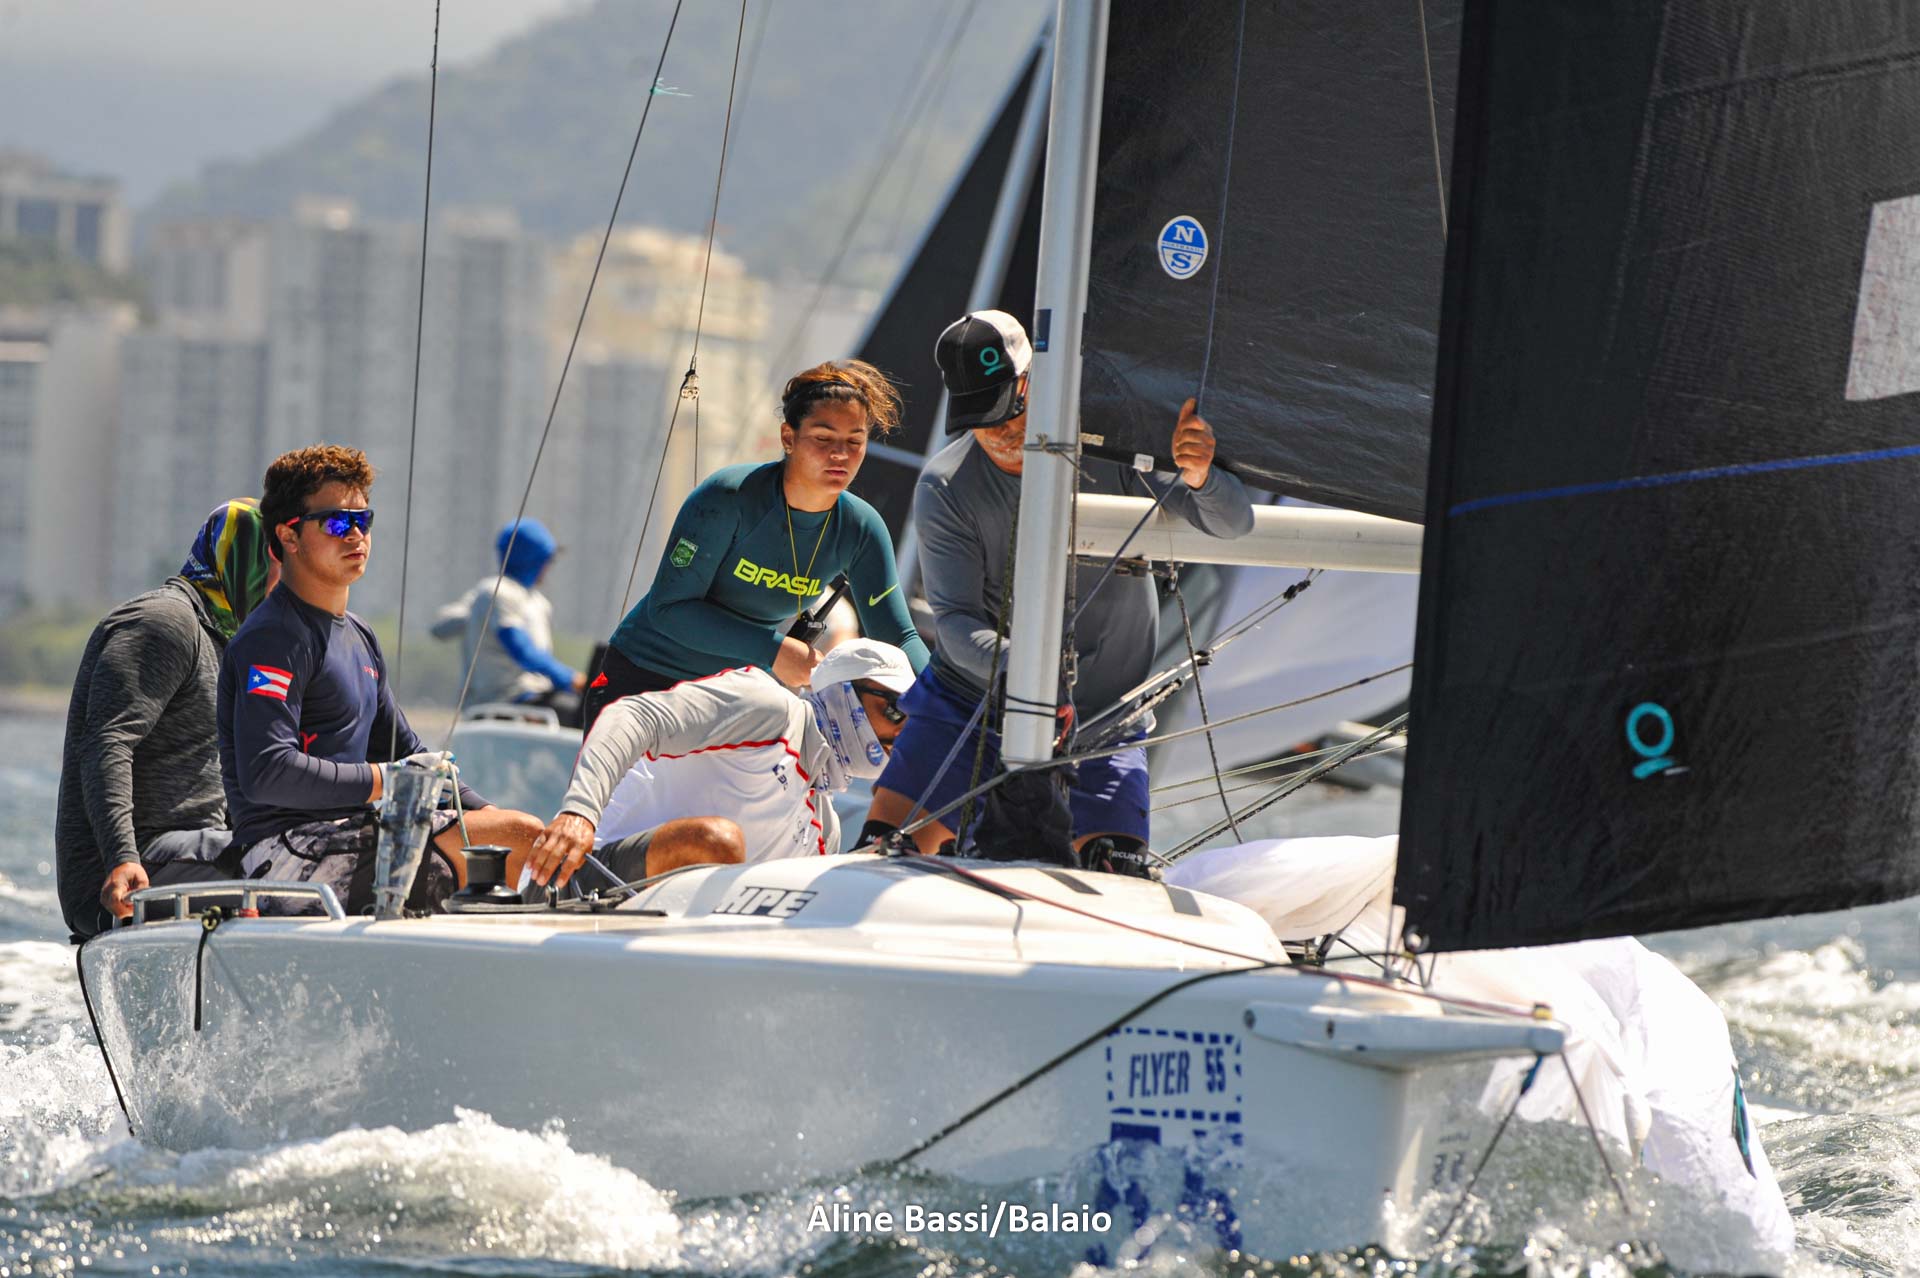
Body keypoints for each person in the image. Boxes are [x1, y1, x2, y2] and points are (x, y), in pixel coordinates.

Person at [866, 310, 1254, 865]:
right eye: (980, 417)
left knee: (1116, 869)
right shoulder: (946, 486)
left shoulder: (1117, 446)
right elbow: (955, 624)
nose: (1000, 431)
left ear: (1035, 382)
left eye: (1009, 408)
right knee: (883, 850)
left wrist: (1200, 476)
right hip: (969, 704)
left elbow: (1234, 523)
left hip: (1101, 717)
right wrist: (1032, 678)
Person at [220, 445, 544, 913]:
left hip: (350, 837)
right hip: (285, 855)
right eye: (336, 523)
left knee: (524, 834)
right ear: (289, 535)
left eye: (363, 521)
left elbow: (408, 753)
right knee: (519, 840)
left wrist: (486, 810)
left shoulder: (360, 636)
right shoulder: (274, 637)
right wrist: (388, 780)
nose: (356, 534)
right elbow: (267, 771)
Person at [582, 361, 929, 731]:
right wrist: (774, 649)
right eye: (823, 439)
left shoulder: (861, 528)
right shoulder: (729, 496)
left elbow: (898, 636)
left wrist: (947, 699)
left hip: (730, 703)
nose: (840, 454)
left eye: (855, 442)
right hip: (642, 683)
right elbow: (669, 609)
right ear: (788, 438)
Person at [526, 639, 916, 891]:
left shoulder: (825, 831)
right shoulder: (772, 709)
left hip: (672, 947)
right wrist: (580, 812)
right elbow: (632, 716)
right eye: (895, 710)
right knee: (715, 841)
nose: (902, 730)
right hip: (574, 886)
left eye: (913, 721)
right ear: (843, 691)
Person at [55, 499, 276, 941]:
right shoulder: (165, 623)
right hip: (129, 870)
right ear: (247, 562)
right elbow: (107, 743)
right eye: (279, 566)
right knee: (303, 861)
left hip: (193, 855)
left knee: (316, 847)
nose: (286, 587)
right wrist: (122, 857)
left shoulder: (227, 641)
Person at [432, 517, 585, 726]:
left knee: (591, 710)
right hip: (504, 701)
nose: (549, 566)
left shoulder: (538, 602)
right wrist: (571, 679)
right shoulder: (496, 592)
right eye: (548, 559)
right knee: (585, 716)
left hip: (537, 696)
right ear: (533, 559)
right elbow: (521, 649)